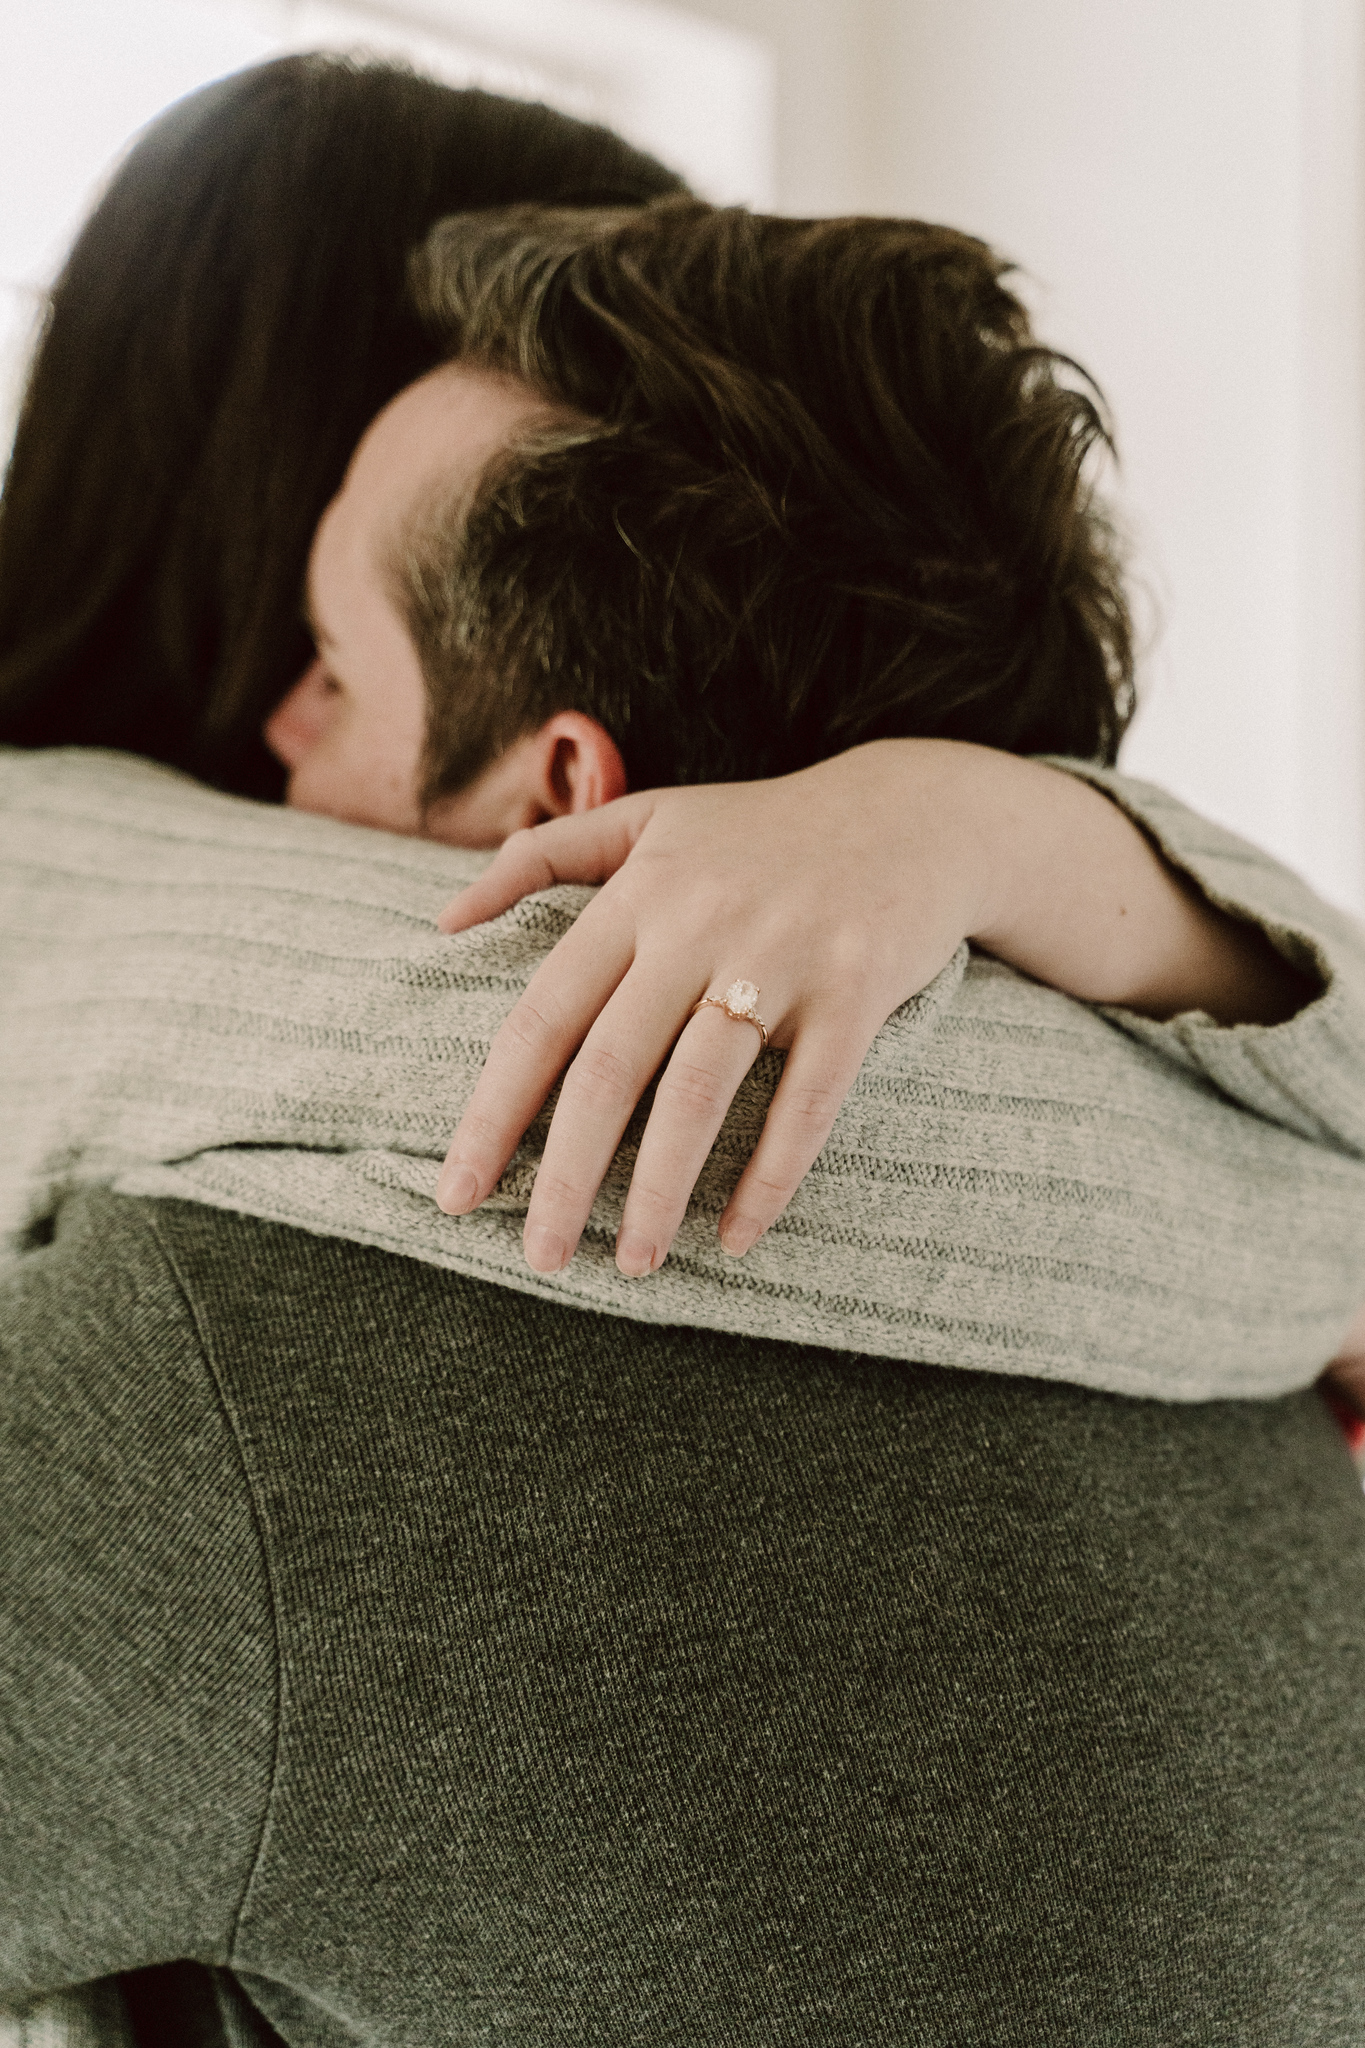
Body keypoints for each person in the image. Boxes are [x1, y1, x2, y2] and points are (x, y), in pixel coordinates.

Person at [5, 66, 1365, 2046]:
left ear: (566, 785)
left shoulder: (217, 1369)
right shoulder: (1241, 1275)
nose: (283, 725)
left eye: (337, 663)